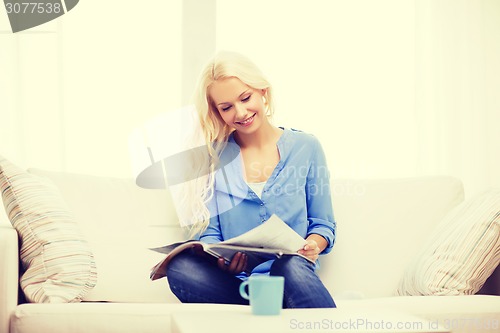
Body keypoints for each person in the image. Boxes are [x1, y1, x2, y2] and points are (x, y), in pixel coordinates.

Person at [166, 51, 336, 308]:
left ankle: (272, 304)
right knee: (181, 269)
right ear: (217, 112)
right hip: (239, 285)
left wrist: (312, 245)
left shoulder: (307, 147)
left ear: (263, 92)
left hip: (292, 274)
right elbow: (211, 235)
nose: (241, 112)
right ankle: (260, 303)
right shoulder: (214, 159)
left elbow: (323, 225)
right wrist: (222, 261)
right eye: (226, 107)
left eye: (246, 98)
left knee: (288, 265)